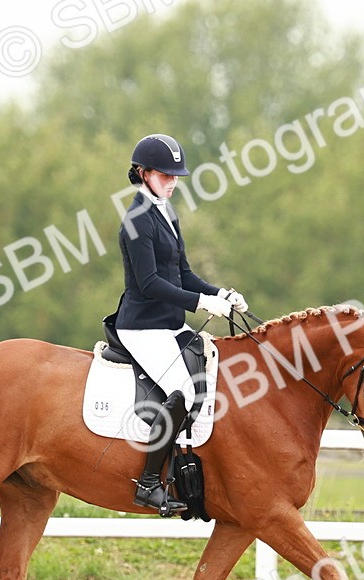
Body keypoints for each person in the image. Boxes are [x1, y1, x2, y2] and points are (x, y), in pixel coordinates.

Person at [114, 133, 247, 514]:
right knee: (183, 393)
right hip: (143, 327)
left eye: (176, 175)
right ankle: (149, 483)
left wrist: (220, 294)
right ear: (143, 173)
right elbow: (150, 283)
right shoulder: (137, 221)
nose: (173, 181)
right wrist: (201, 303)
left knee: (212, 376)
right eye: (165, 175)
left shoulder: (166, 213)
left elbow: (183, 273)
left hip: (170, 324)